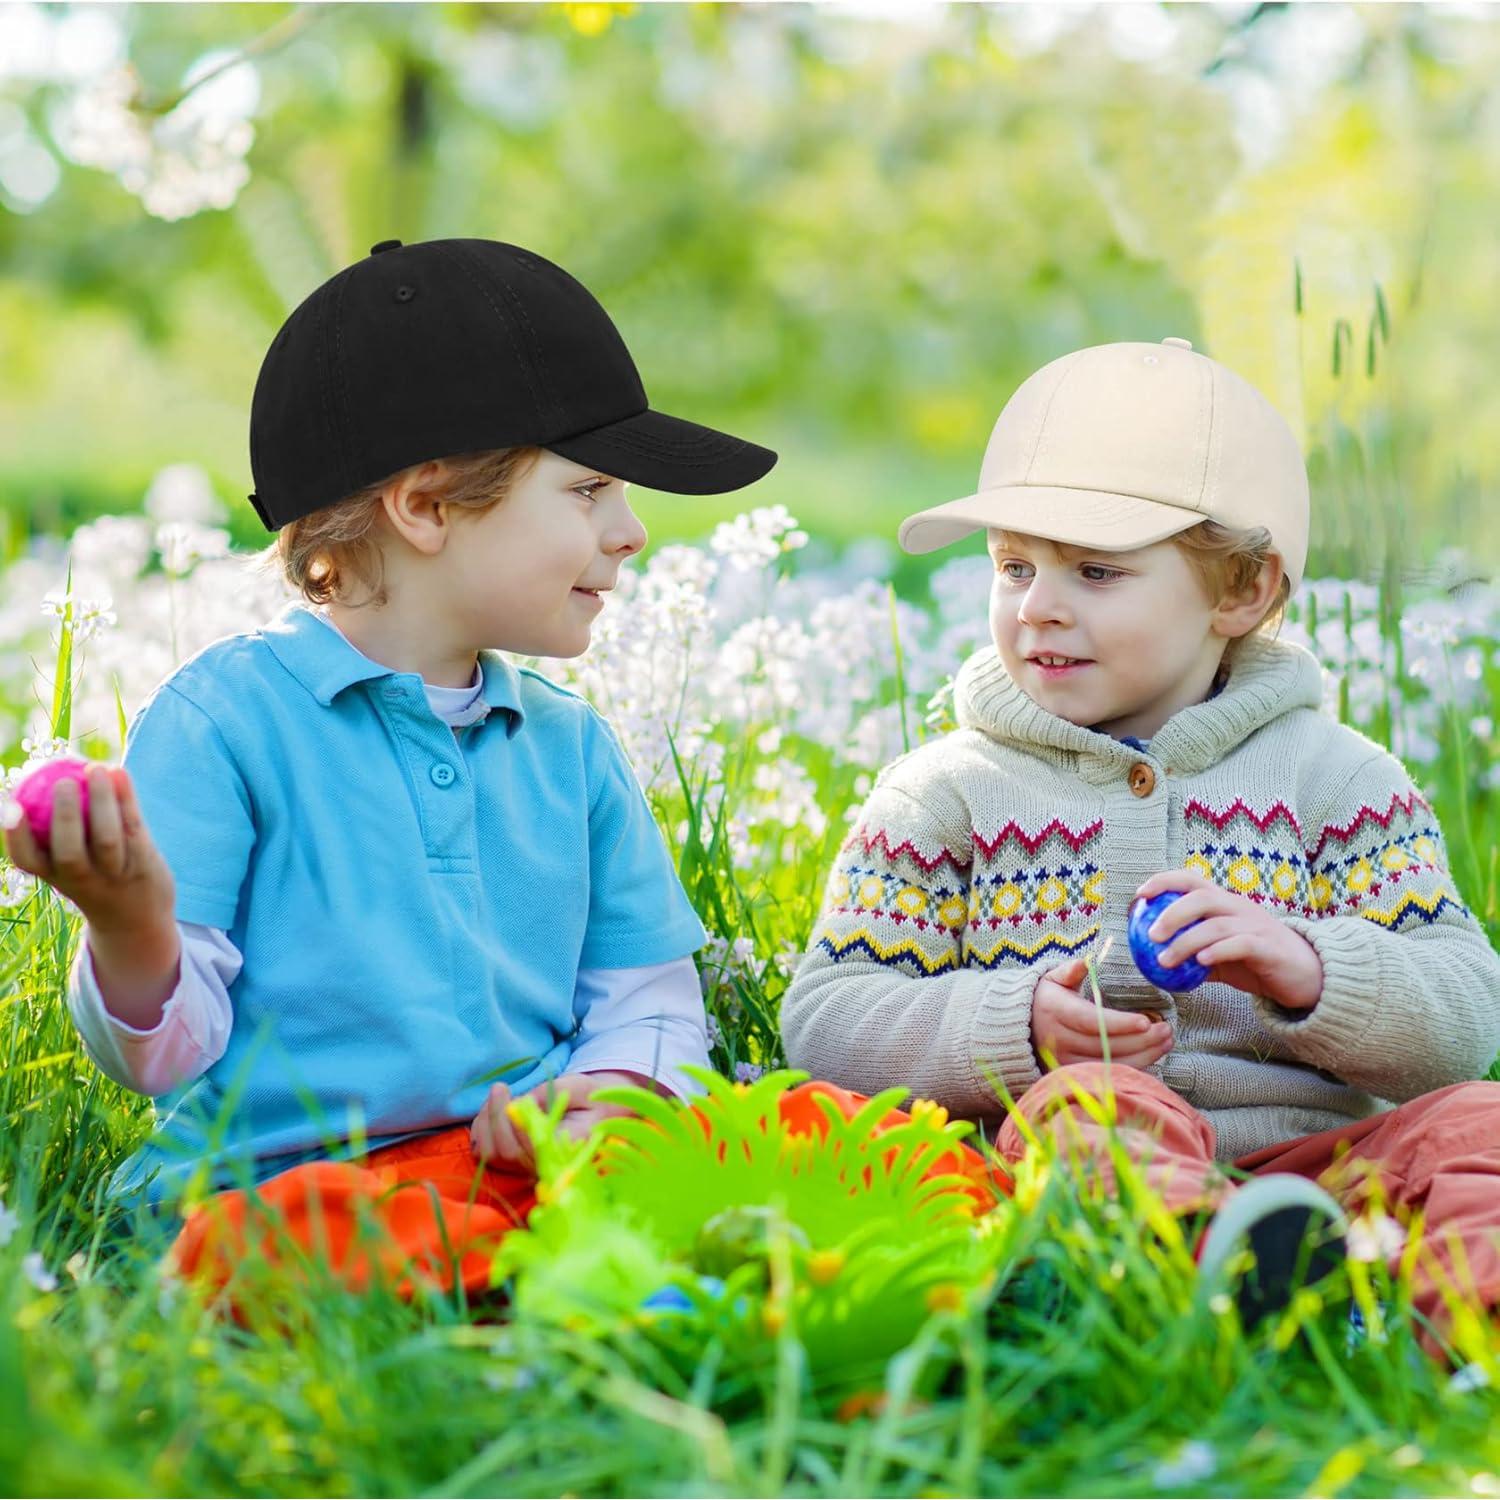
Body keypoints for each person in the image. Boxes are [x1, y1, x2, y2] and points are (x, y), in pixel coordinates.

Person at [3, 236, 783, 1300]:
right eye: (590, 488)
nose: (632, 531)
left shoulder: (570, 748)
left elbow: (647, 999)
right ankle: (562, 1286)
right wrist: (130, 925)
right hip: (299, 1187)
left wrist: (612, 1094)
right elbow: (165, 1060)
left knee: (793, 1124)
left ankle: (546, 1273)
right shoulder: (227, 724)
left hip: (519, 1169)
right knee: (268, 1245)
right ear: (426, 506)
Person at [782, 337, 1500, 1356]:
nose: (1037, 605)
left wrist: (1310, 969)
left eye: (1096, 570)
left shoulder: (1339, 783)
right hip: (1069, 1155)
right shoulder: (946, 794)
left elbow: (1463, 1020)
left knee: (1479, 1122)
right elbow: (828, 1021)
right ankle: (1202, 1292)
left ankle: (1463, 1338)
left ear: (1241, 590)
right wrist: (1013, 1027)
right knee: (1095, 1106)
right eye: (1014, 566)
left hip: (1321, 1166)